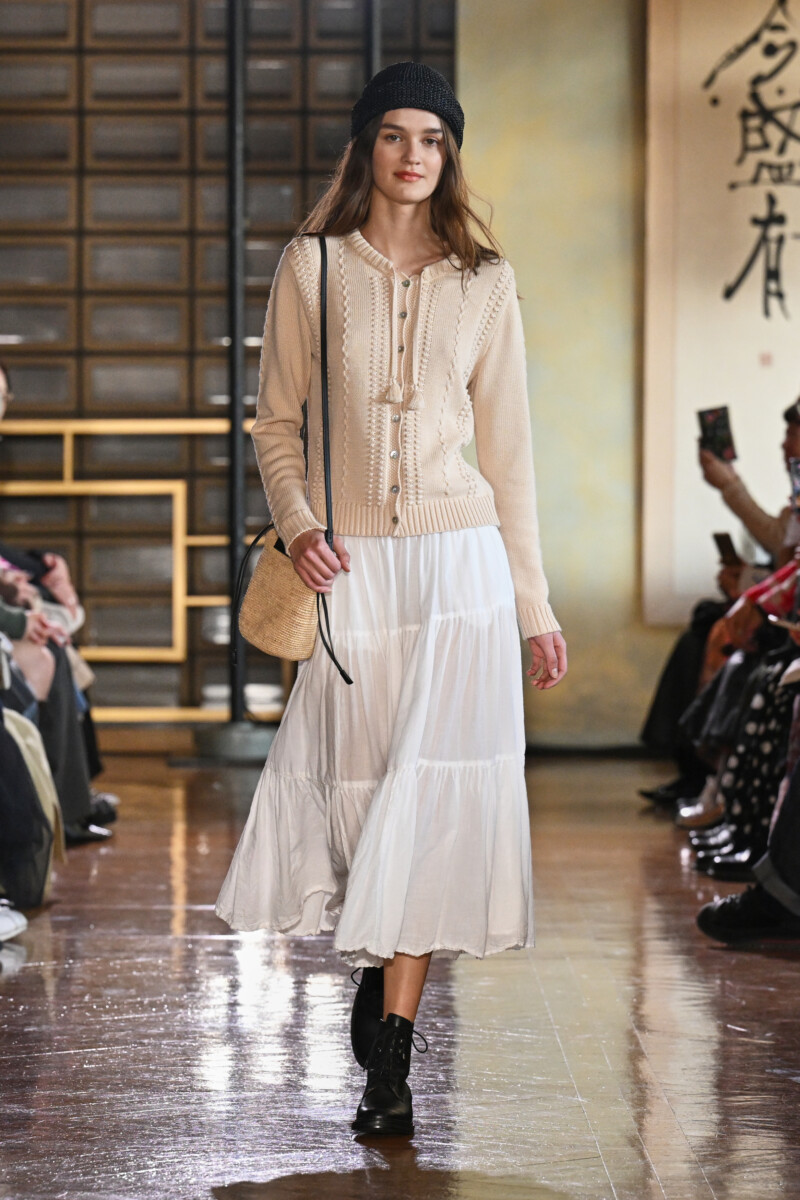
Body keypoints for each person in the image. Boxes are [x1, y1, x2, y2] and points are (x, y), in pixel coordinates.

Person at [215, 61, 567, 1137]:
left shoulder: (486, 281)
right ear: (365, 146)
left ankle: (395, 1056)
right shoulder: (312, 265)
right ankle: (379, 972)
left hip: (461, 569)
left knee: (431, 797)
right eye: (395, 135)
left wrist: (532, 604)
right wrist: (301, 524)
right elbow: (275, 423)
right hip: (352, 569)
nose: (415, 156)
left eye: (433, 139)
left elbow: (508, 457)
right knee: (368, 793)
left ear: (448, 155)